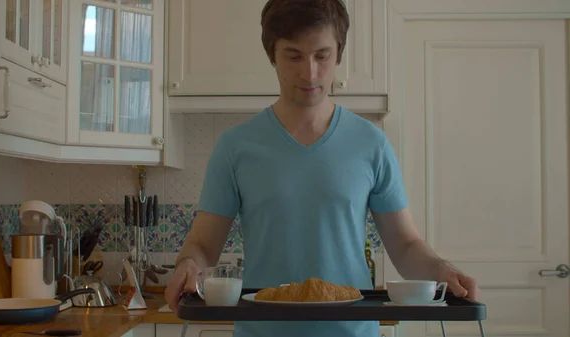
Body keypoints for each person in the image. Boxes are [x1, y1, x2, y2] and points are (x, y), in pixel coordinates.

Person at [165, 0, 479, 336]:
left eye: (322, 55)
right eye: (294, 55)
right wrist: (188, 264)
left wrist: (442, 271)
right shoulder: (235, 147)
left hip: (351, 331)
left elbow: (405, 245)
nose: (310, 73)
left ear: (339, 53)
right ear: (272, 54)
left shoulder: (371, 144)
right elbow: (203, 244)